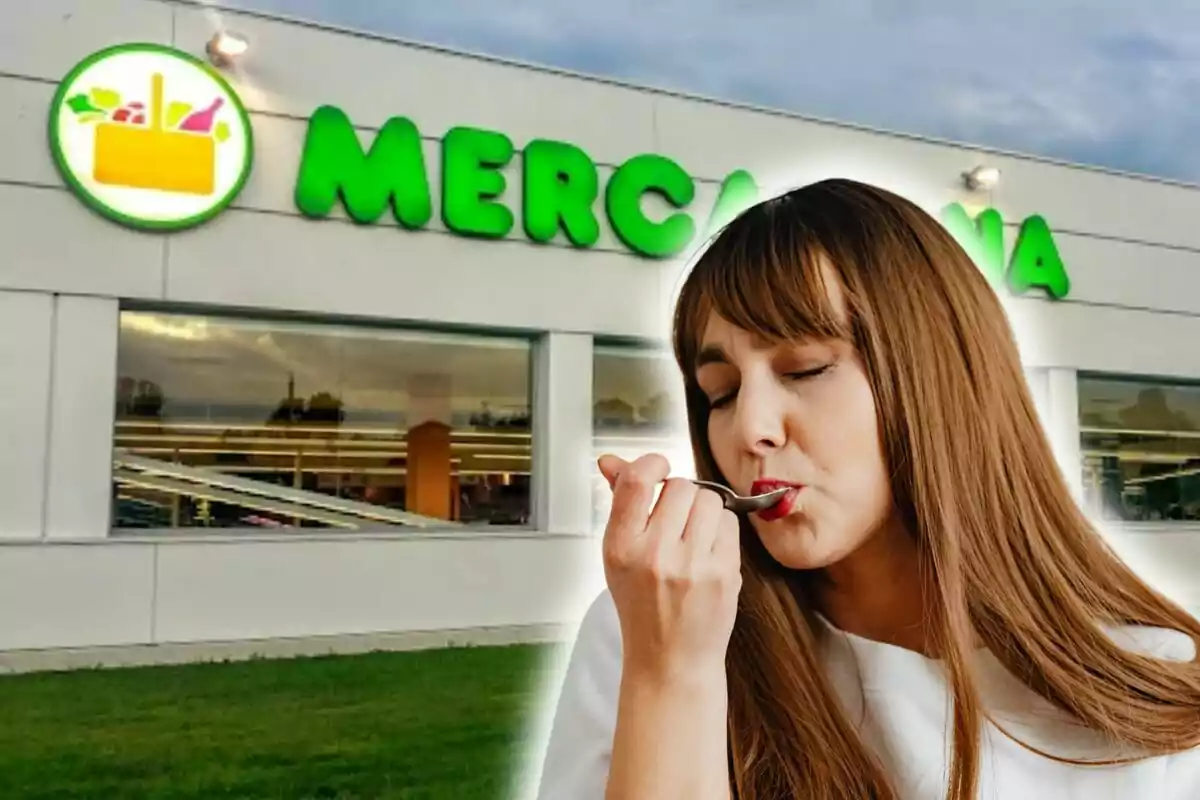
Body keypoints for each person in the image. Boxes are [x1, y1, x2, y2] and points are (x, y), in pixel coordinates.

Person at [533, 178, 1200, 800]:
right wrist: (672, 679)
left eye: (806, 368)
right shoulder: (648, 631)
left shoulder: (1158, 690)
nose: (750, 428)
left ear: (939, 378)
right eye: (722, 392)